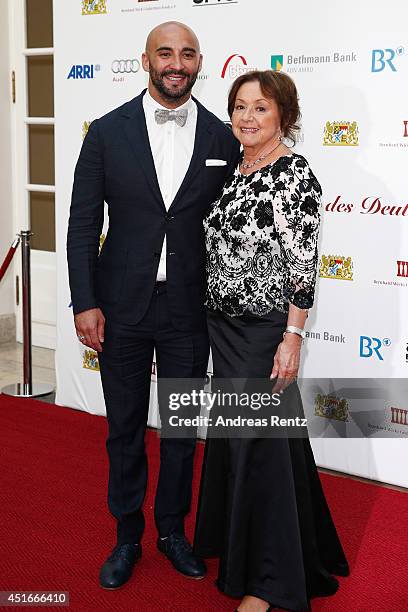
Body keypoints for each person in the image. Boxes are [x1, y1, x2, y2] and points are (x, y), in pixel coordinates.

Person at [67, 21, 240, 590]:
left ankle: (172, 531)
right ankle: (126, 536)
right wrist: (85, 301)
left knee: (183, 429)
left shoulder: (221, 137)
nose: (176, 62)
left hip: (191, 310)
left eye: (187, 53)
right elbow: (83, 223)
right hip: (121, 307)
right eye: (165, 52)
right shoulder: (107, 132)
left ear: (199, 62)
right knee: (123, 428)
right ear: (145, 60)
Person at [193, 70, 349, 611]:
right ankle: (275, 544)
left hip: (263, 330)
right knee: (260, 440)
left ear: (284, 113)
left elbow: (301, 261)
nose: (247, 117)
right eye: (239, 107)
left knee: (258, 443)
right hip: (224, 326)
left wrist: (293, 335)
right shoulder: (238, 169)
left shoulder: (293, 173)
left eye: (261, 107)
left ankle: (270, 578)